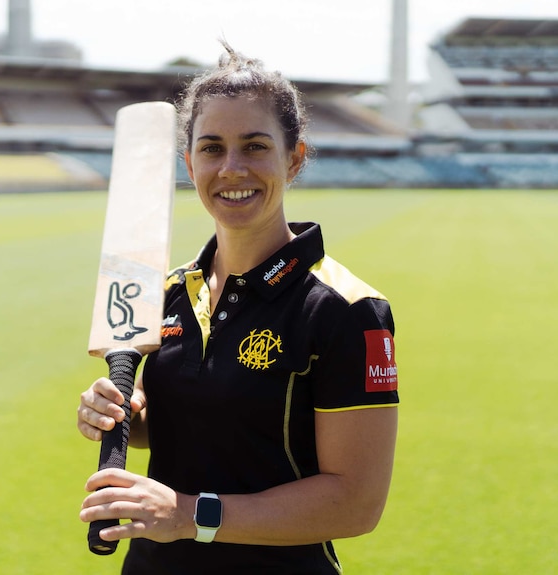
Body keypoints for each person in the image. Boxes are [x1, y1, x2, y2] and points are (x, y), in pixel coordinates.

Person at [77, 42, 399, 575]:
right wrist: (119, 418)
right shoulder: (169, 292)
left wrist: (189, 515)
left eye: (254, 146)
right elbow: (190, 426)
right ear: (188, 163)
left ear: (293, 158)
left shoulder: (346, 309)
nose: (231, 168)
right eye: (211, 148)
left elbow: (356, 502)